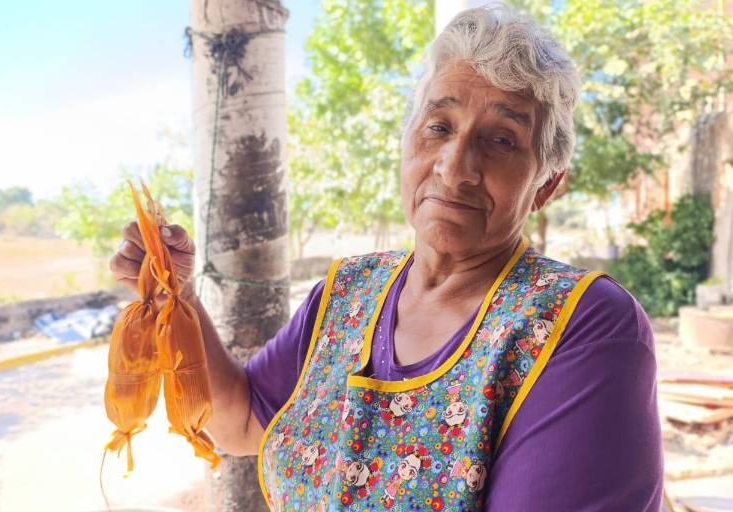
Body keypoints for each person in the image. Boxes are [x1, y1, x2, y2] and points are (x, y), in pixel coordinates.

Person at [110, 5, 663, 511]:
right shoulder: (348, 291)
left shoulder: (582, 326)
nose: (454, 166)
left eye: (501, 141)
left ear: (546, 186)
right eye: (439, 127)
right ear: (407, 143)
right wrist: (174, 295)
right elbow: (241, 422)